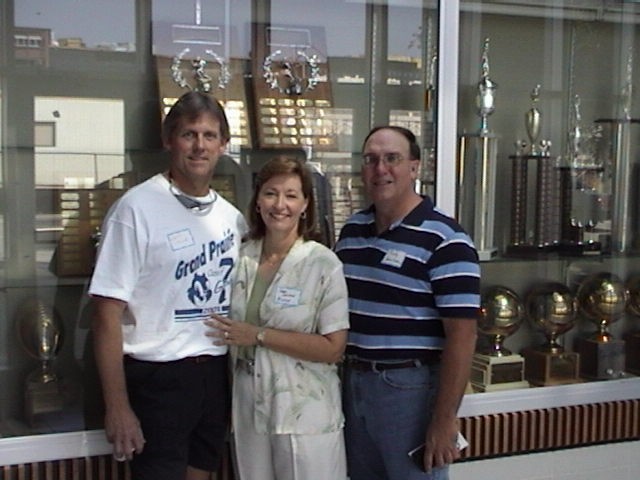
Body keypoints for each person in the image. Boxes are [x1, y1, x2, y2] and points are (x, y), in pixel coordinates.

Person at [89, 91, 247, 480]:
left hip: (214, 373)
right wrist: (117, 406)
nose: (199, 146)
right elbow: (106, 314)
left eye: (209, 136)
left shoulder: (232, 219)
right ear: (168, 140)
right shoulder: (135, 209)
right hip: (156, 377)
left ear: (223, 144)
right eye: (189, 134)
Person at [334, 126, 480, 480]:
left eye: (392, 159)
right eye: (371, 159)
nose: (380, 169)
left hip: (409, 393)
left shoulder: (447, 240)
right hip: (352, 386)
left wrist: (444, 420)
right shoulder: (351, 232)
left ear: (415, 167)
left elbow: (463, 337)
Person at [205, 155, 349, 480]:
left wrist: (258, 335)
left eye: (291, 195)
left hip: (304, 412)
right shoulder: (241, 257)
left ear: (305, 205)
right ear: (257, 201)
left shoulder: (323, 264)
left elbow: (333, 348)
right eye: (270, 193)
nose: (280, 204)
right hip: (248, 405)